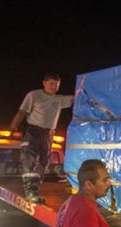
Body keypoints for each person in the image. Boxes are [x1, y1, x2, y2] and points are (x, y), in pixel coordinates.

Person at [9, 73, 74, 203]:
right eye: (51, 84)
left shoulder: (59, 99)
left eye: (57, 85)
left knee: (44, 162)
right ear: (44, 83)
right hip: (33, 131)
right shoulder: (34, 95)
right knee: (30, 161)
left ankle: (35, 190)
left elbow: (75, 98)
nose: (54, 87)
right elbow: (22, 112)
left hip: (48, 134)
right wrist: (12, 128)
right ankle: (30, 192)